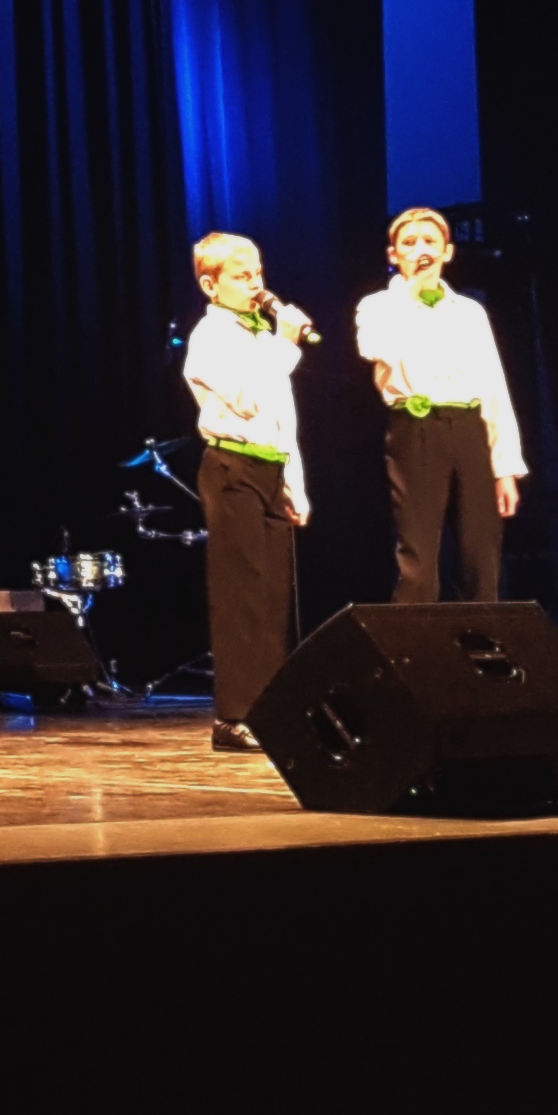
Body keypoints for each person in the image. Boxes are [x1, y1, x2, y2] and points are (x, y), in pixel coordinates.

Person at [183, 234, 316, 755]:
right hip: (232, 467)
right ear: (210, 285)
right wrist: (286, 343)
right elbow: (246, 399)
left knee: (272, 597)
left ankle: (269, 709)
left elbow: (283, 418)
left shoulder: (263, 336)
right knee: (241, 596)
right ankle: (233, 716)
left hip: (271, 469)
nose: (256, 283)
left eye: (258, 272)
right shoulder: (209, 337)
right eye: (242, 276)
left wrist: (294, 485)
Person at [353, 208, 521, 603]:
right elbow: (373, 348)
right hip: (417, 430)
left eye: (430, 242)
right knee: (419, 557)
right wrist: (408, 296)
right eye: (409, 244)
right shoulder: (378, 306)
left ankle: (478, 639)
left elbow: (493, 387)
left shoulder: (469, 312)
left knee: (481, 557)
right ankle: (415, 640)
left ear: (448, 252)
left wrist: (505, 469)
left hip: (468, 428)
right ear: (393, 255)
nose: (421, 251)